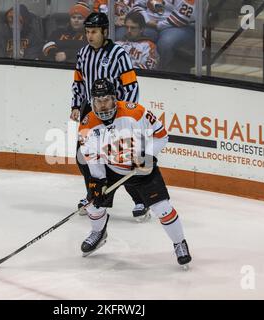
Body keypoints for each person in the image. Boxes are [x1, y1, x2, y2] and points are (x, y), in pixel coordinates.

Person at [78, 78, 192, 267]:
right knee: (94, 204)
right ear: (92, 101)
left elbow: (162, 136)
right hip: (111, 168)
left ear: (115, 98)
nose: (102, 105)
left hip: (141, 168)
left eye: (106, 99)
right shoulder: (87, 125)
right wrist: (97, 183)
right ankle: (99, 233)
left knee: (162, 208)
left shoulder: (135, 111)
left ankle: (179, 243)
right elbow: (93, 157)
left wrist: (147, 157)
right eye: (97, 101)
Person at [71, 12, 149, 222]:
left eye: (94, 32)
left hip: (115, 113)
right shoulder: (83, 53)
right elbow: (78, 81)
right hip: (91, 112)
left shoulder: (119, 54)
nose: (90, 36)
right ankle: (93, 195)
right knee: (84, 156)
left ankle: (140, 200)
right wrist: (76, 105)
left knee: (120, 157)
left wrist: (124, 116)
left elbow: (131, 86)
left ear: (105, 32)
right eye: (87, 32)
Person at [131, 0, 196, 71]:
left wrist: (158, 25)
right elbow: (137, 6)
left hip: (181, 26)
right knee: (130, 35)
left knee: (165, 43)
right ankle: (140, 70)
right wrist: (146, 20)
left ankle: (160, 73)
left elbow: (182, 18)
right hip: (150, 23)